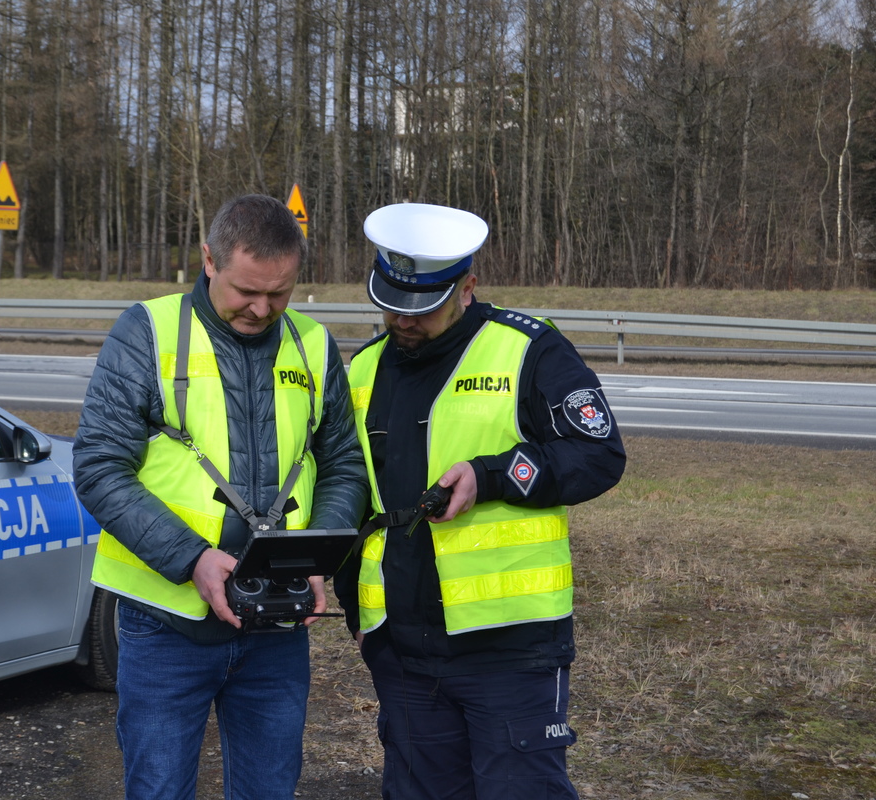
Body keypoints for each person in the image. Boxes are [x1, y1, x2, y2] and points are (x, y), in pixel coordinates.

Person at [73, 193, 367, 800]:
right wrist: (192, 560)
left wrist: (315, 559)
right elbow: (100, 469)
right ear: (208, 259)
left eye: (279, 293)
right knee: (159, 788)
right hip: (166, 624)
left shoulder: (312, 344)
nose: (262, 309)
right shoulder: (147, 331)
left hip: (276, 627)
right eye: (246, 291)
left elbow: (344, 464)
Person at [333, 202, 626, 799]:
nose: (403, 322)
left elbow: (599, 454)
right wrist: (357, 610)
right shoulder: (364, 368)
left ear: (468, 287)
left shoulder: (529, 350)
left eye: (423, 308)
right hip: (402, 646)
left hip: (509, 647)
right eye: (391, 305)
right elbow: (352, 492)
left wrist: (492, 475)